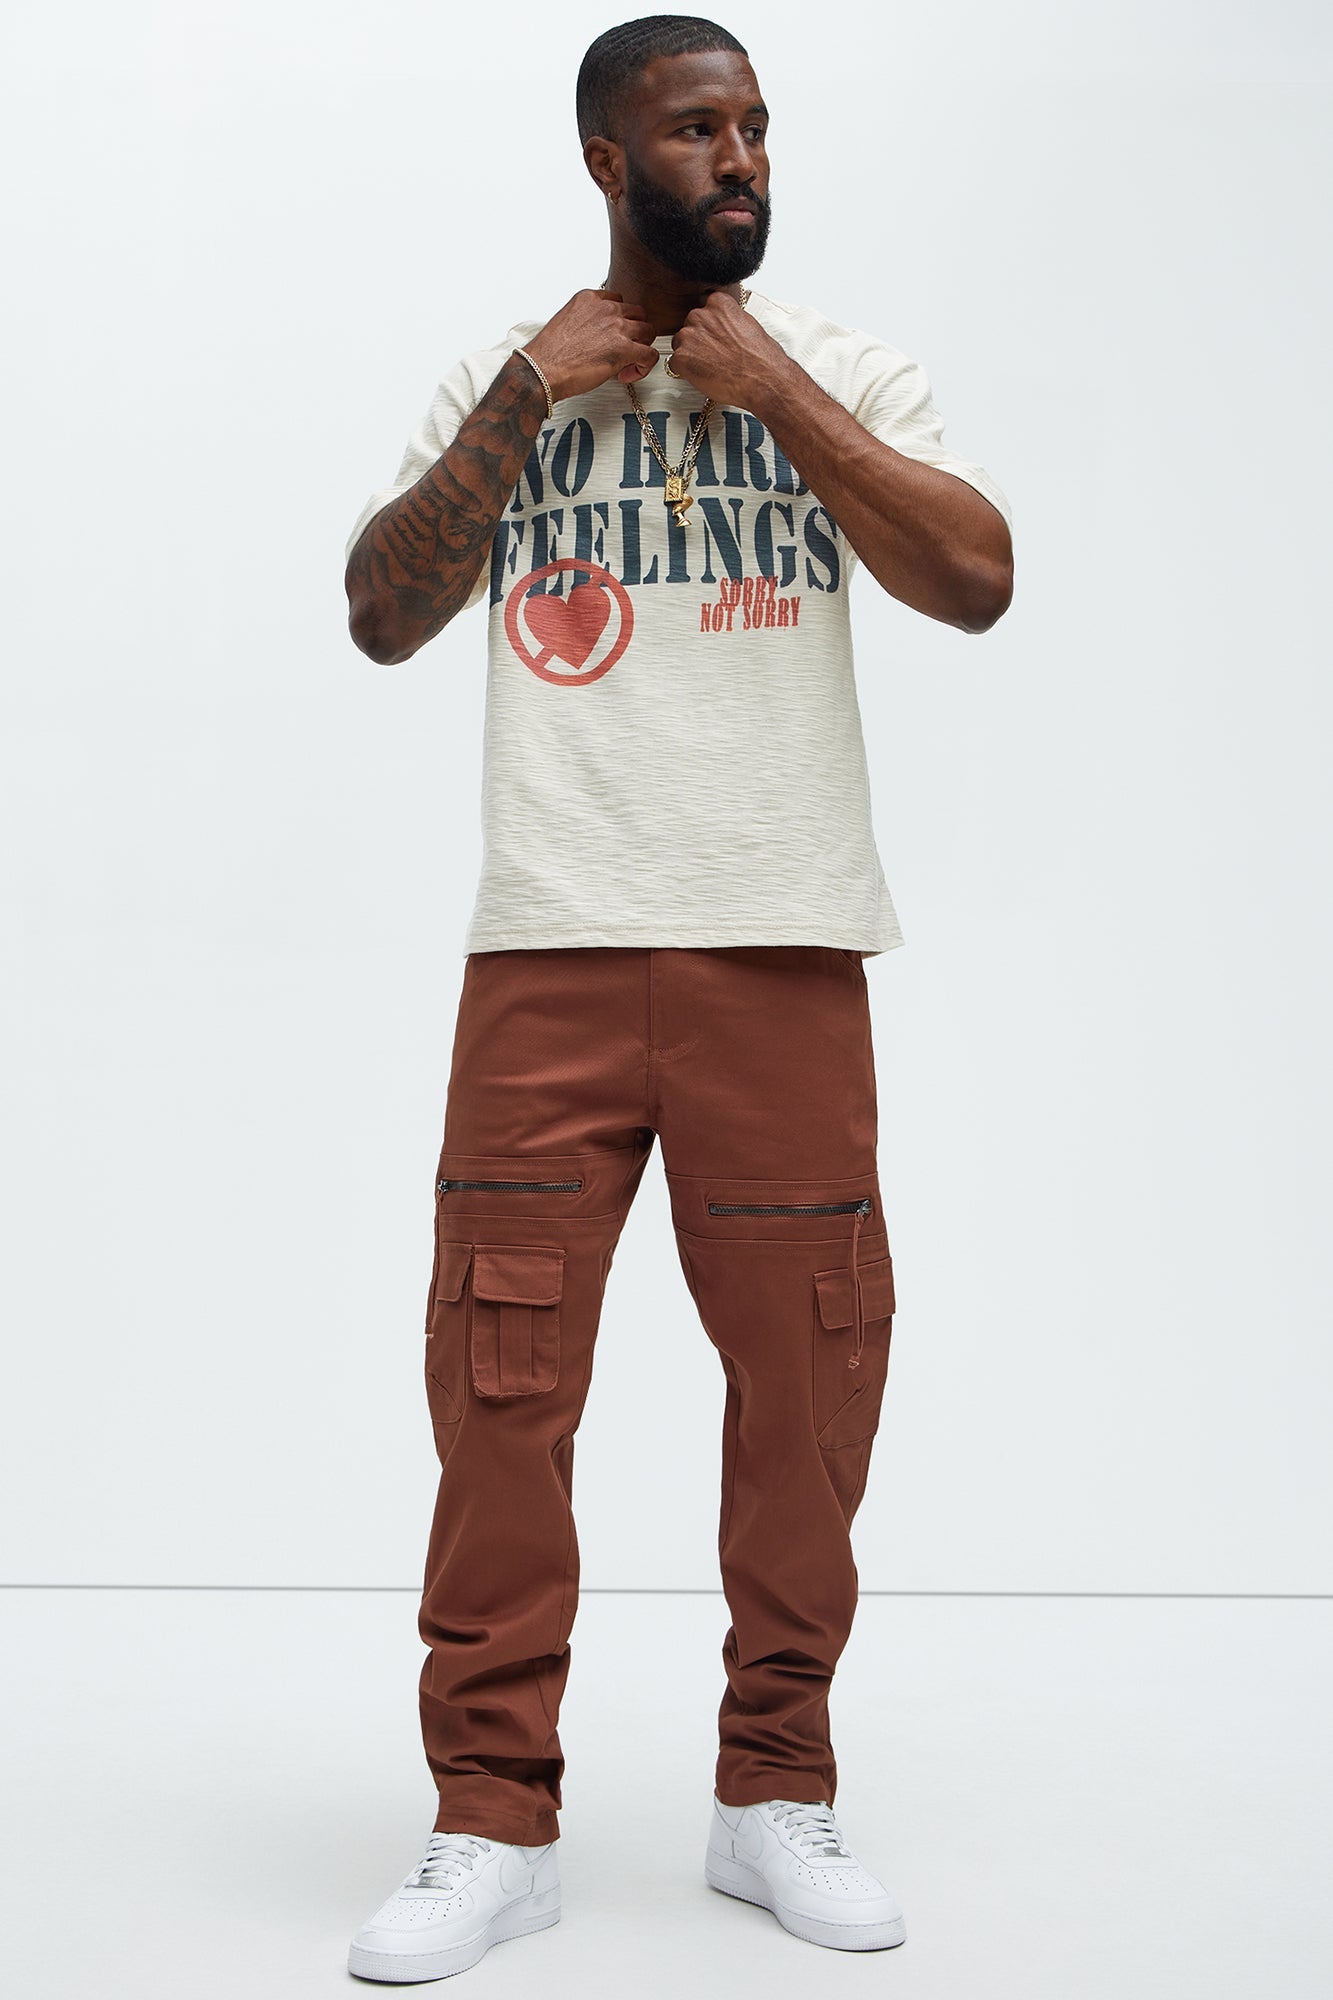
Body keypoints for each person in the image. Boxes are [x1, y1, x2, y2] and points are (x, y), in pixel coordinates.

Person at [341, 12, 1012, 1982]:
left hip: (781, 942)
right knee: (500, 1389)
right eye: (699, 129)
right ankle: (491, 1819)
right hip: (547, 945)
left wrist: (768, 388)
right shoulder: (508, 376)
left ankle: (772, 1790)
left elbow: (975, 577)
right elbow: (379, 611)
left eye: (756, 128)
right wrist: (524, 400)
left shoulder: (843, 369)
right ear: (604, 159)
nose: (741, 159)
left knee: (807, 1385)